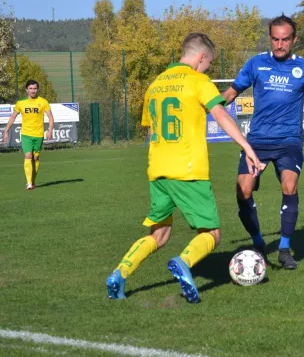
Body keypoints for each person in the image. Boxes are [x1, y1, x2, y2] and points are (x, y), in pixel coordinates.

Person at [106, 33, 263, 303]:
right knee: (212, 234)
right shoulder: (198, 81)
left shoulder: (154, 85)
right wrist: (248, 149)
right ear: (200, 57)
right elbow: (221, 114)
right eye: (209, 63)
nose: (208, 68)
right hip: (188, 171)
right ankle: (183, 262)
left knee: (159, 234)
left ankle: (119, 274)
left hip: (157, 170)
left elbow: (151, 128)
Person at [221, 14, 304, 270]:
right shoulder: (256, 64)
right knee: (243, 191)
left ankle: (285, 249)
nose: (279, 44)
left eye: (285, 39)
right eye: (275, 39)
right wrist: (209, 106)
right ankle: (257, 243)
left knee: (289, 185)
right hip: (256, 141)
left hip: (289, 140)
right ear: (269, 38)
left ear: (294, 40)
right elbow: (232, 92)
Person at [3, 79, 54, 190]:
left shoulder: (43, 102)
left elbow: (50, 117)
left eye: (35, 88)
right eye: (30, 88)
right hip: (26, 134)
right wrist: (6, 130)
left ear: (37, 89)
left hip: (39, 134)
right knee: (28, 156)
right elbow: (13, 117)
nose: (33, 91)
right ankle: (29, 183)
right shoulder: (21, 103)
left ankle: (32, 181)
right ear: (26, 90)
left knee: (35, 158)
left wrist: (50, 130)